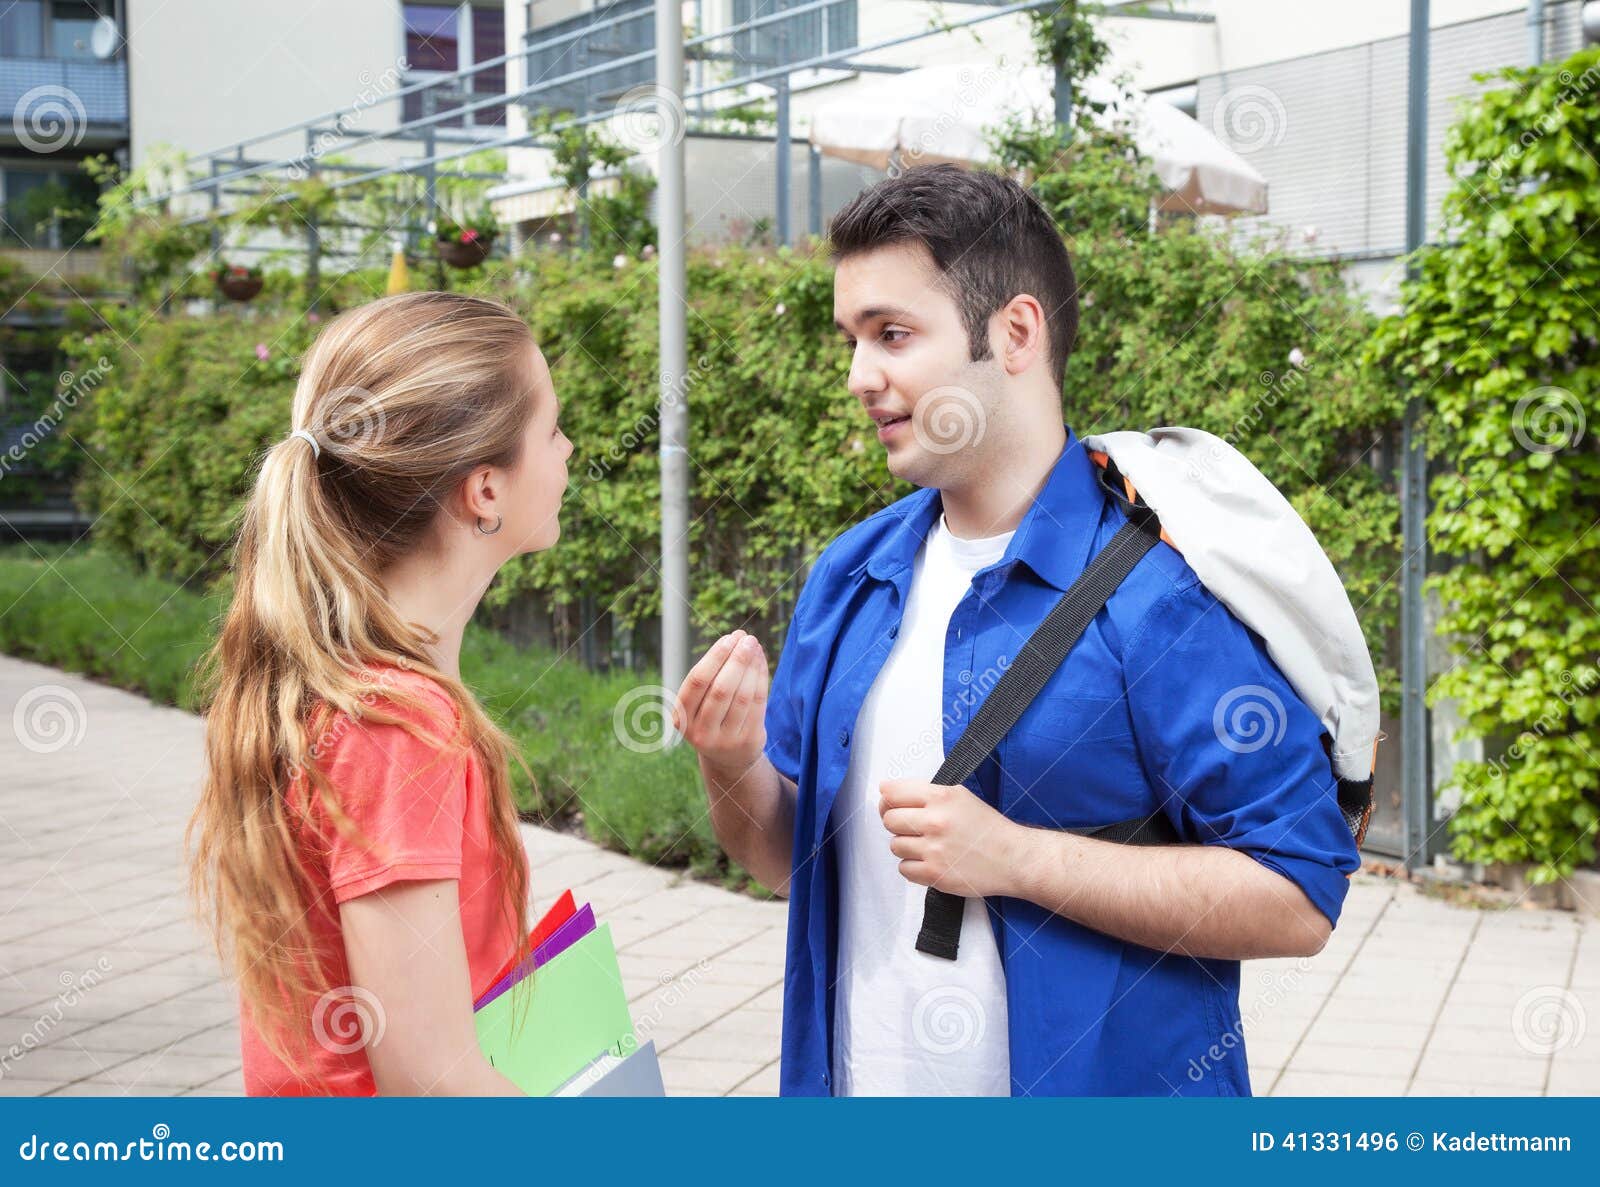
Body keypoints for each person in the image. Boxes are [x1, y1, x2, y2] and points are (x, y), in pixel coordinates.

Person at [674, 164, 1360, 1097]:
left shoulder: (1160, 596)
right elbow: (785, 858)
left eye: (893, 334)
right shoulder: (852, 575)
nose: (858, 375)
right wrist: (728, 759)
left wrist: (1020, 858)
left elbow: (1300, 895)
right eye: (852, 338)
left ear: (1016, 333)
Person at [188, 292, 573, 1095]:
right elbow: (432, 1081)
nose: (569, 450)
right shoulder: (397, 723)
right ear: (486, 491)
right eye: (552, 429)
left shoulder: (353, 686)